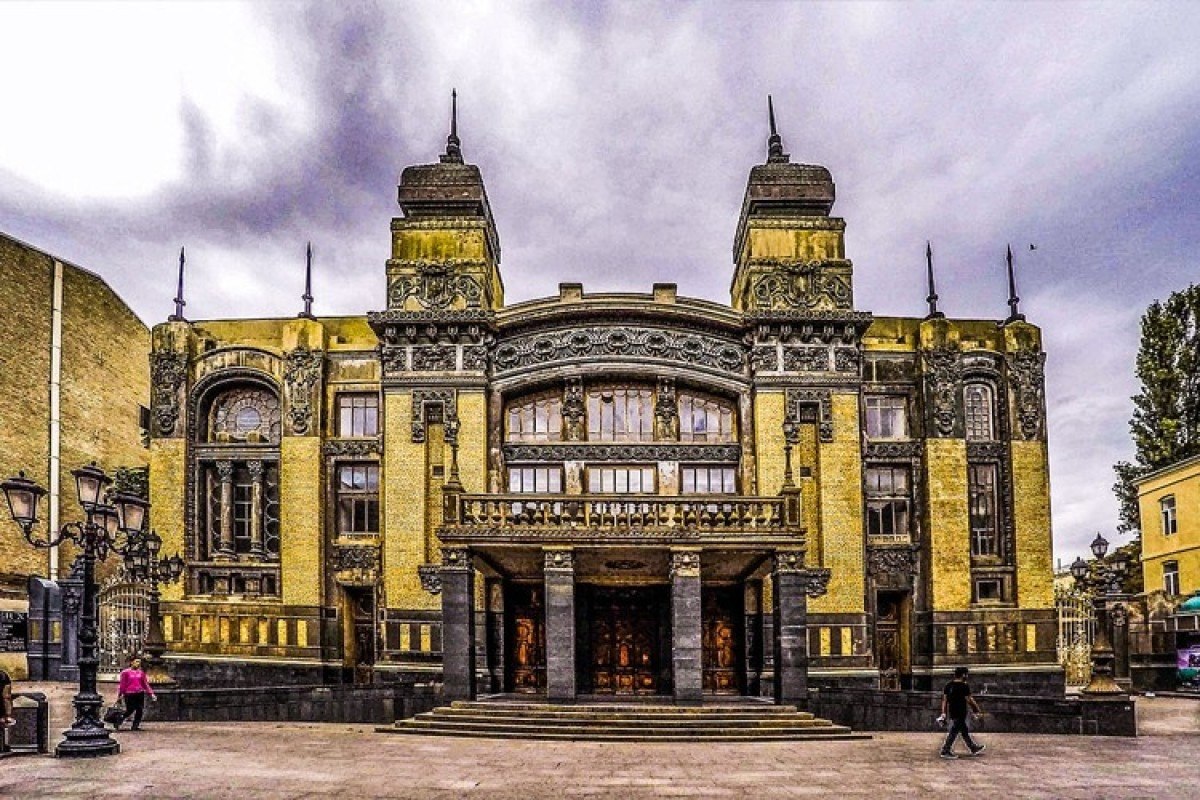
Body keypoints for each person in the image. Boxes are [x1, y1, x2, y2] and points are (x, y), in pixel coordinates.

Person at [939, 666, 985, 759]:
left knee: (964, 730)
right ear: (963, 675)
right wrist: (976, 709)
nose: (967, 676)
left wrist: (943, 713)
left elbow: (944, 700)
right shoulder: (964, 686)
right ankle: (945, 750)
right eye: (966, 674)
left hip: (952, 711)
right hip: (960, 711)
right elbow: (969, 699)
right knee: (954, 731)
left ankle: (972, 747)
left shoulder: (948, 685)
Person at [115, 656, 156, 730]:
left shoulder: (141, 673)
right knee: (130, 709)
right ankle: (119, 719)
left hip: (139, 693)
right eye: (136, 661)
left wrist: (151, 693)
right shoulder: (125, 672)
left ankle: (135, 725)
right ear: (131, 662)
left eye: (139, 662)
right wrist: (120, 695)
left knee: (139, 709)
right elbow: (122, 685)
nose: (138, 663)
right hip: (129, 693)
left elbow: (145, 684)